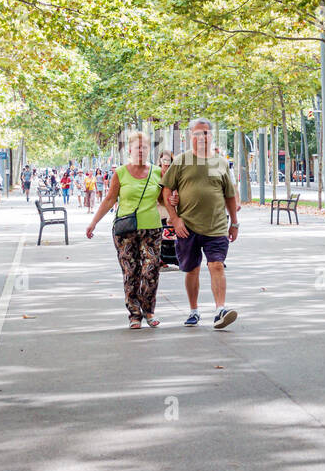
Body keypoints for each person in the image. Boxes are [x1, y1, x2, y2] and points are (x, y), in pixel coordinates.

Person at [161, 118, 239, 329]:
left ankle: (220, 310)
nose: (201, 137)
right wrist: (175, 218)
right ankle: (193, 310)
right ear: (189, 137)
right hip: (187, 227)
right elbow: (166, 190)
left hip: (216, 226)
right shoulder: (181, 161)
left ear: (211, 136)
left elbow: (229, 195)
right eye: (196, 134)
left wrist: (235, 223)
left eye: (205, 133)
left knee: (216, 265)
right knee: (192, 269)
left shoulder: (220, 162)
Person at [87, 132, 163, 328]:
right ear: (129, 150)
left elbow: (163, 199)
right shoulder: (120, 173)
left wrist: (175, 205)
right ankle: (135, 314)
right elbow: (110, 199)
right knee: (131, 272)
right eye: (137, 147)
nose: (141, 151)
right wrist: (93, 222)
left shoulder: (157, 172)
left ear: (149, 150)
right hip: (125, 231)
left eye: (144, 147)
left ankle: (149, 309)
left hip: (152, 229)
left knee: (151, 269)